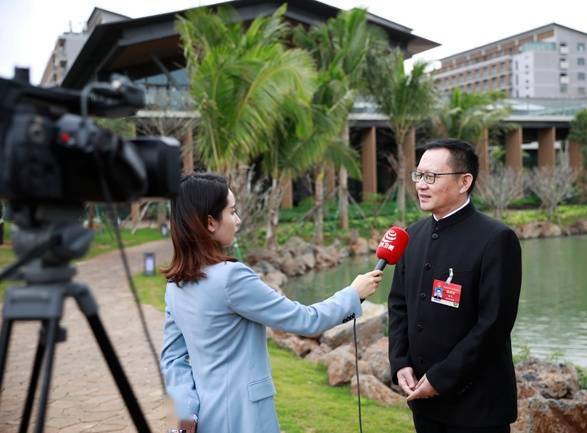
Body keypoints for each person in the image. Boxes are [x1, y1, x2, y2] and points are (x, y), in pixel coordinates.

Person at [159, 173, 382, 433]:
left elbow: (172, 358)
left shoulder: (176, 285)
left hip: (205, 419)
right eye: (232, 212)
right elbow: (305, 320)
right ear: (210, 222)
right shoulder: (231, 277)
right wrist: (353, 294)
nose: (238, 220)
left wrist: (186, 413)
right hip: (245, 419)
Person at [388, 139, 522, 433]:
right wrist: (400, 362)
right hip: (424, 403)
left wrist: (441, 378)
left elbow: (493, 325)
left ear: (464, 181)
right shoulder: (412, 236)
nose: (421, 184)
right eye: (419, 175)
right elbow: (399, 306)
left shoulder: (496, 239)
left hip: (477, 407)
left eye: (431, 177)